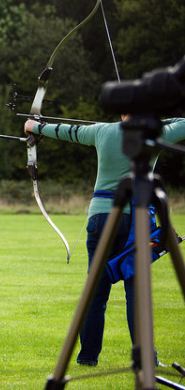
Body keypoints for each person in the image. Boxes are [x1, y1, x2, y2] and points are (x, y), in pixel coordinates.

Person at [24, 116, 185, 366]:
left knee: (95, 290)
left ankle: (87, 356)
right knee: (136, 289)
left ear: (122, 113)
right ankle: (145, 358)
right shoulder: (156, 131)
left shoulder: (101, 131)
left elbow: (67, 131)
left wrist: (34, 126)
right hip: (136, 217)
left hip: (101, 216)